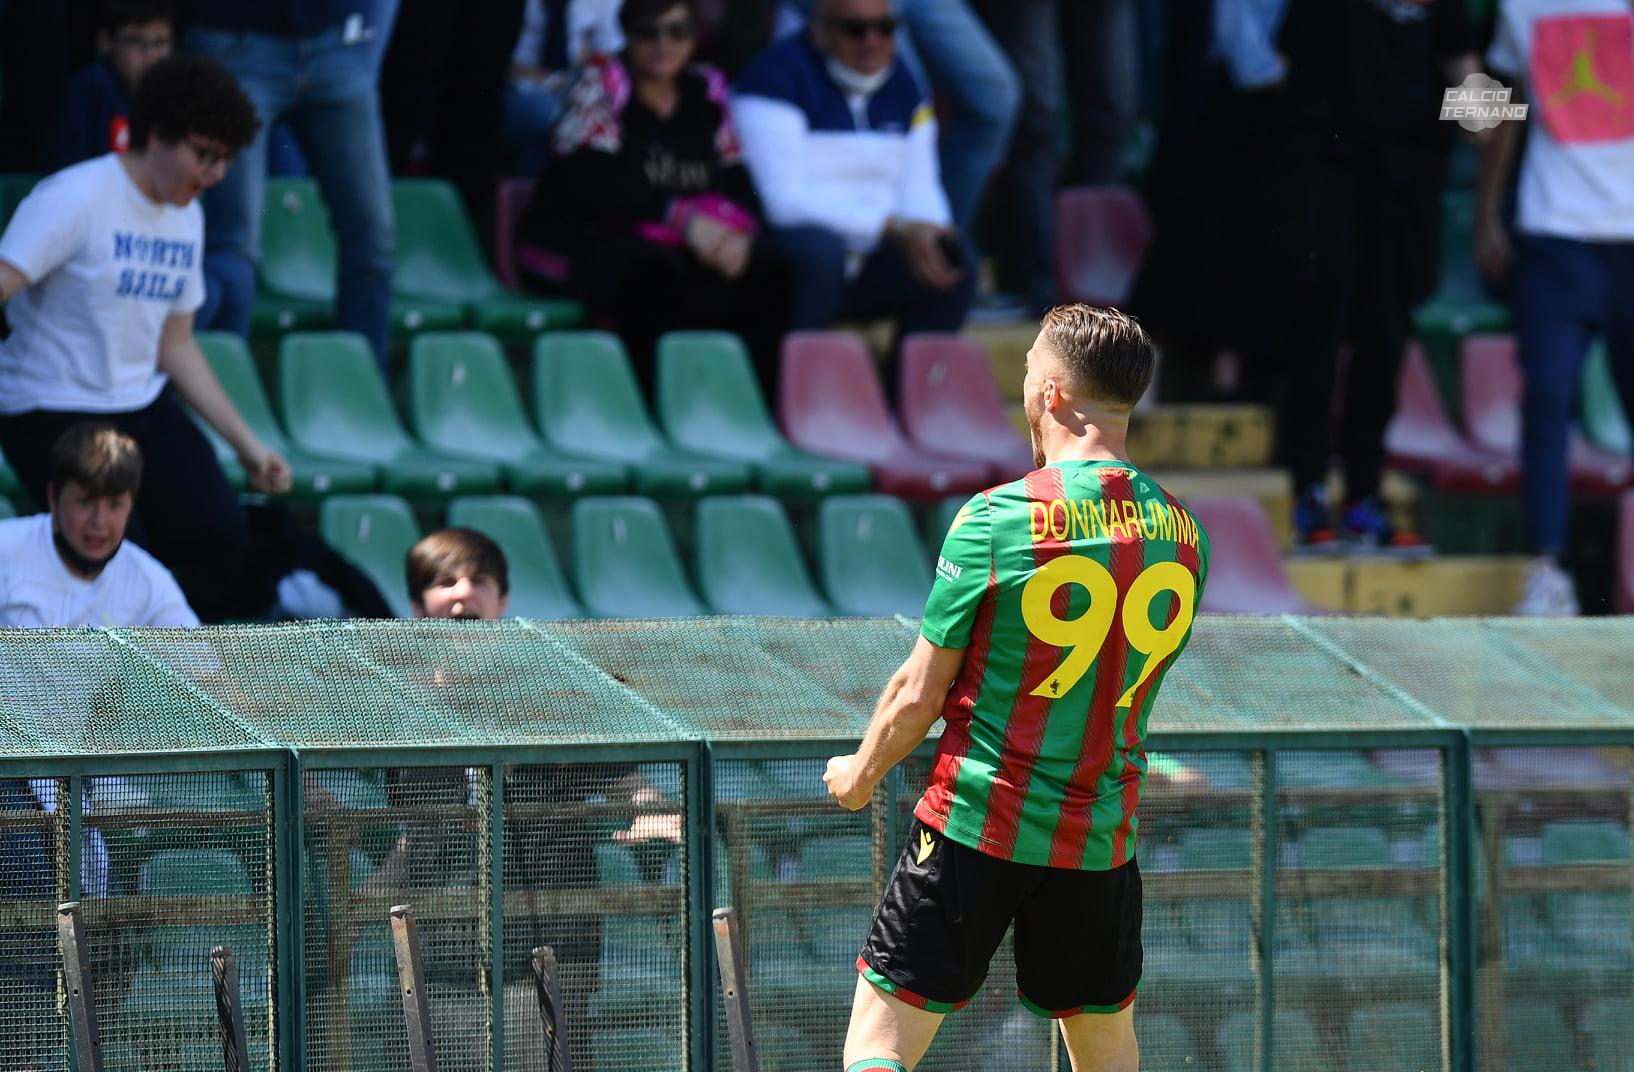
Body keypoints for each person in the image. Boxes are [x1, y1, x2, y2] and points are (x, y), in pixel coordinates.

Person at [822, 304, 1210, 1072]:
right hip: (1099, 840)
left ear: (1052, 392)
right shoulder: (1185, 535)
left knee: (876, 1045)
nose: (1024, 383)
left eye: (1029, 368)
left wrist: (858, 776)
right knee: (1107, 1055)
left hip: (978, 821)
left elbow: (917, 695)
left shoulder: (997, 519)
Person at [0, 55, 292, 623]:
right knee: (113, 543)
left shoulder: (187, 216)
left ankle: (178, 659)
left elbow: (175, 345)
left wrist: (247, 446)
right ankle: (93, 671)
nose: (215, 174)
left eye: (224, 159)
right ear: (156, 135)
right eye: (204, 154)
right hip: (49, 407)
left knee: (219, 530)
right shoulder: (75, 196)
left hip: (138, 405)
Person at [517, 0, 790, 392]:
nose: (664, 44)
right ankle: (652, 406)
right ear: (627, 34)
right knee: (654, 276)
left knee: (768, 271)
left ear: (694, 38)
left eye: (678, 32)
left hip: (680, 242)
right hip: (583, 241)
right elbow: (590, 181)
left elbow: (736, 177)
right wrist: (684, 221)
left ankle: (746, 406)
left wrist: (740, 237)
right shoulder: (601, 81)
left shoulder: (705, 90)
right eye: (648, 31)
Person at [0, 424, 198, 935]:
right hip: (8, 766)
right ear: (53, 497)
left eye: (114, 505)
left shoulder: (148, 581)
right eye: (85, 502)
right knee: (27, 872)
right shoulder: (7, 550)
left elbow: (209, 672)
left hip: (82, 769)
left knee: (117, 882)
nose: (98, 522)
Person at [1480, 0, 1634, 615]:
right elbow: (1500, 103)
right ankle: (1546, 569)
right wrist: (1486, 213)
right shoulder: (1520, 4)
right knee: (1546, 399)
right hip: (1552, 232)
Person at [733, 0, 974, 361]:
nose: (872, 40)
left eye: (885, 28)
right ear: (819, 31)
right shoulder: (773, 78)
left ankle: (909, 391)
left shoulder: (905, 82)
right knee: (818, 251)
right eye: (855, 29)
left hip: (869, 257)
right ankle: (790, 382)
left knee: (954, 256)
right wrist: (894, 227)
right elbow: (783, 203)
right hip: (787, 264)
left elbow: (919, 184)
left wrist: (929, 232)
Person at [182, 0, 397, 367]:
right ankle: (226, 384)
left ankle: (364, 387)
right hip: (234, 38)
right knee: (234, 247)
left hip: (336, 40)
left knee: (374, 238)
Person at [45, 0, 174, 171]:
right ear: (105, 41)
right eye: (135, 41)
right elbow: (70, 169)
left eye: (159, 43)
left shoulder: (172, 93)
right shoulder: (90, 89)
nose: (150, 56)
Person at [500, 0, 625, 175]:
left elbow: (610, 55)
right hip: (517, 89)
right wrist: (554, 82)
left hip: (577, 91)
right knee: (547, 116)